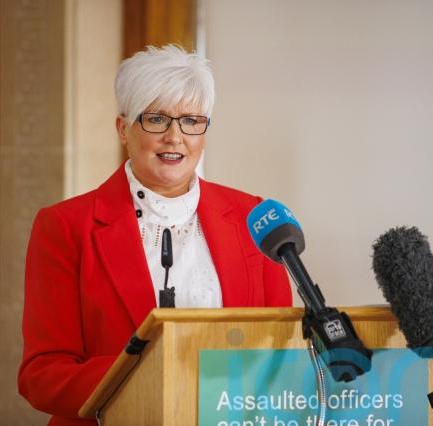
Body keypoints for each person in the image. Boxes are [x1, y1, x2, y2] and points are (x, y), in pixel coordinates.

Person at [18, 45, 292, 425]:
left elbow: (281, 350)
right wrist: (154, 374)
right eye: (156, 119)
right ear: (123, 130)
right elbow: (42, 376)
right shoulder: (65, 226)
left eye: (191, 120)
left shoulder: (253, 218)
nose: (175, 136)